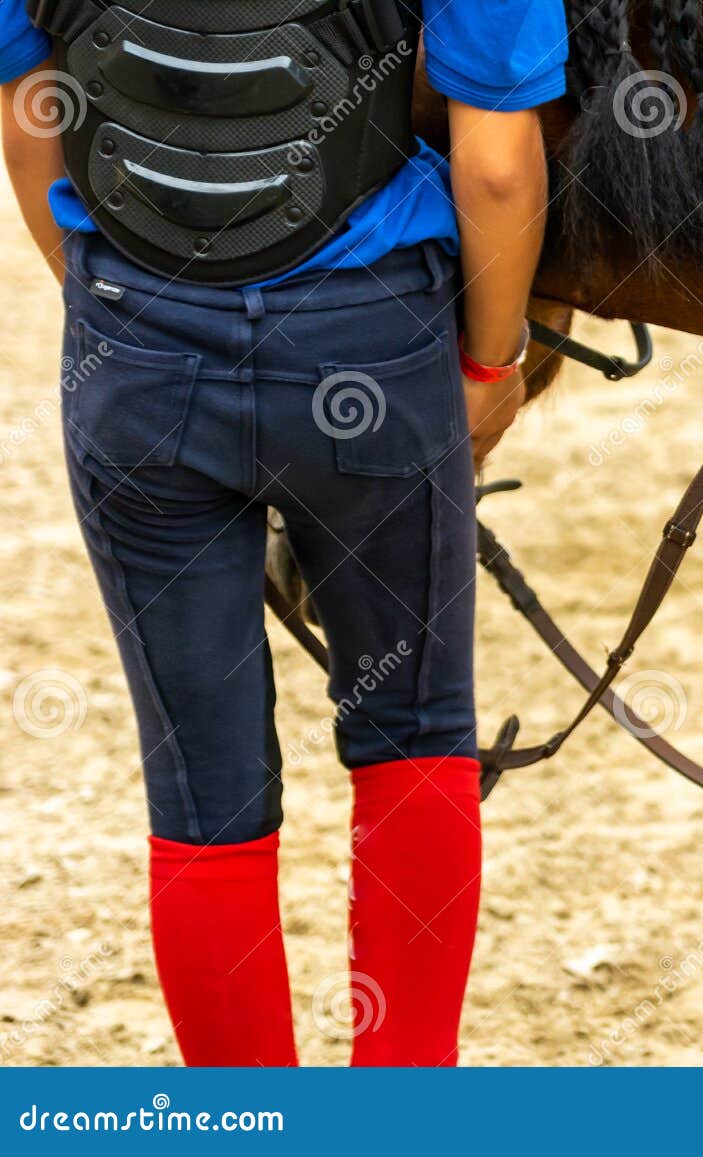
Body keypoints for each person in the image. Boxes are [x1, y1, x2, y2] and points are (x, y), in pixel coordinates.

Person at [0, 0, 566, 1066]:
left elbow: (30, 106)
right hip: (370, 347)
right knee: (413, 736)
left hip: (135, 353)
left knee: (200, 785)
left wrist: (119, 321)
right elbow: (494, 162)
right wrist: (492, 367)